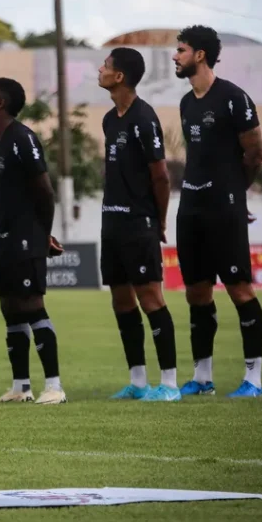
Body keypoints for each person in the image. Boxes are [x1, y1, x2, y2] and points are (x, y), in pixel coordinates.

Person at [171, 25, 262, 398]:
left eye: (181, 50)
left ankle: (253, 379)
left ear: (200, 55)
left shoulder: (233, 97)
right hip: (190, 208)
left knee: (239, 290)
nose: (175, 57)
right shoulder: (186, 102)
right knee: (197, 293)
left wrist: (234, 195)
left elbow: (255, 154)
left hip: (223, 208)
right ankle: (202, 377)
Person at [97, 48, 180, 402]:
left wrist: (158, 221)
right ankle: (138, 382)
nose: (100, 70)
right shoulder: (109, 119)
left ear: (119, 77)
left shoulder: (145, 118)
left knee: (151, 298)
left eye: (106, 66)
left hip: (138, 223)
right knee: (121, 300)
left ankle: (171, 384)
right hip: (111, 222)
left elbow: (160, 176)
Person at [0, 77, 67, 405]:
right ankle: (20, 387)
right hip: (0, 237)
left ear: (0, 103)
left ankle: (55, 386)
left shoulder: (22, 139)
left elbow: (44, 190)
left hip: (26, 238)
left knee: (32, 305)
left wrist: (43, 234)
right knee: (10, 308)